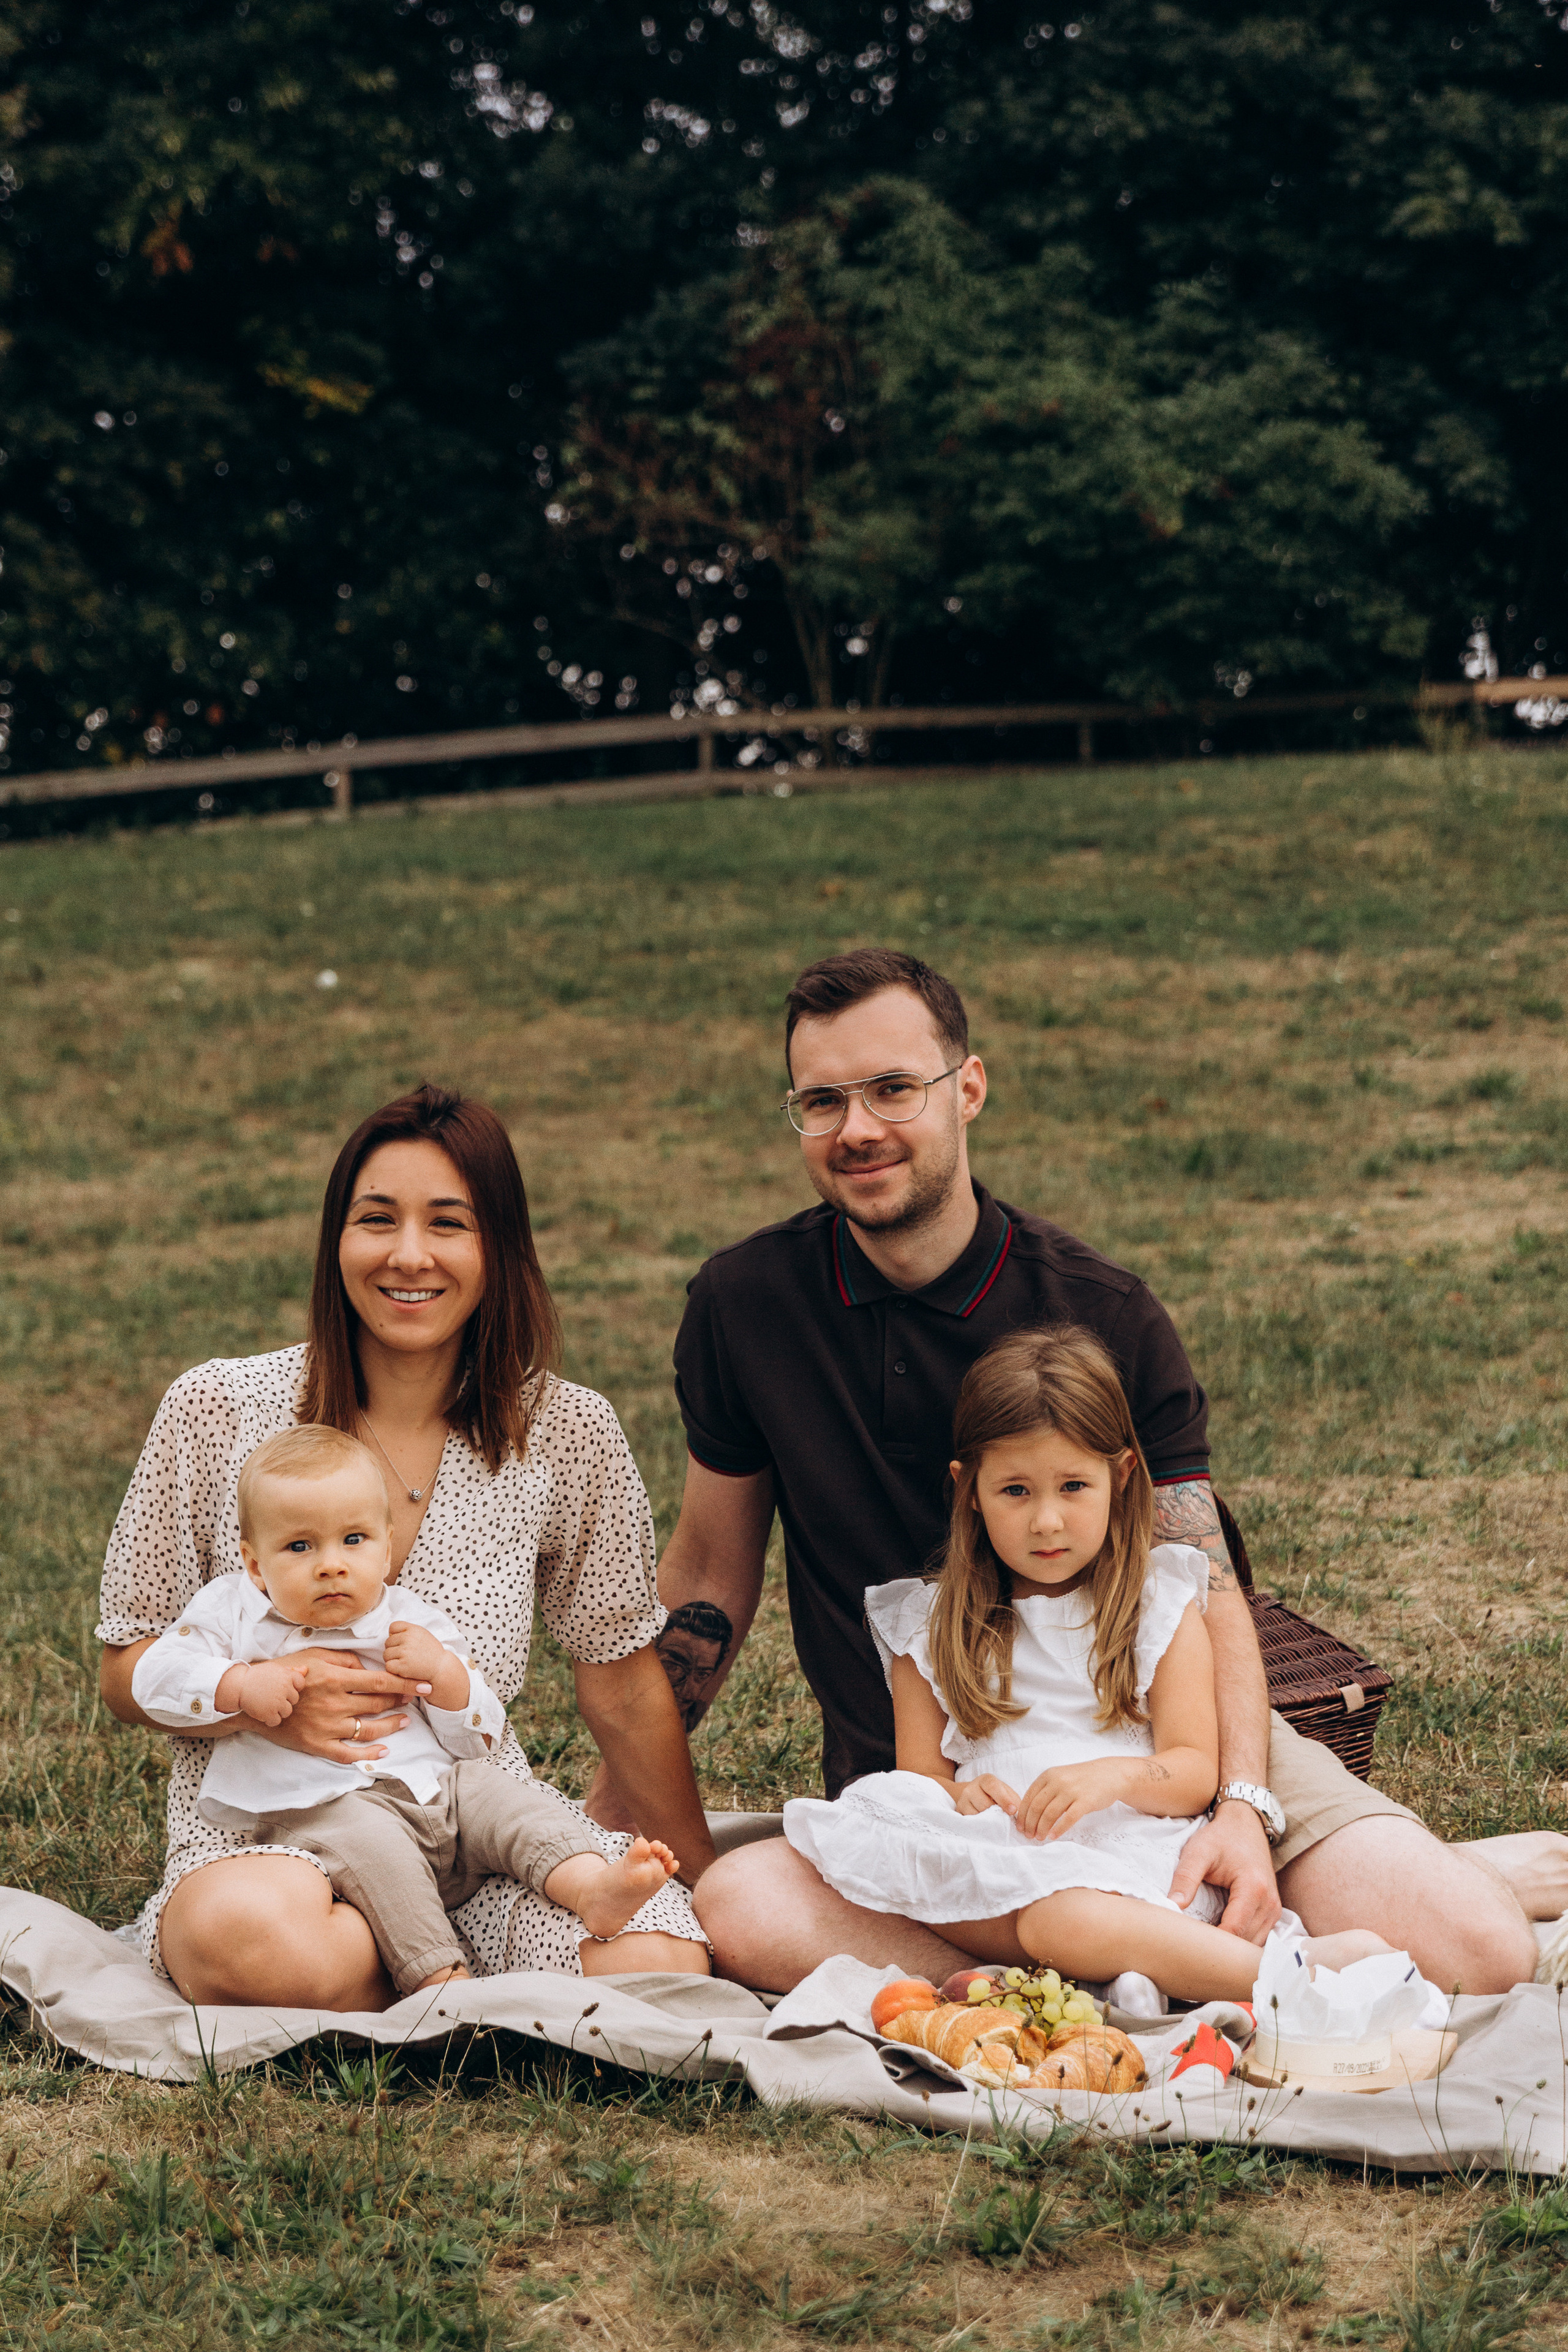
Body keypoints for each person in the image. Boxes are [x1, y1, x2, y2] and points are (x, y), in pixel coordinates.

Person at [584, 948, 1556, 1994]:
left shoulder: (1105, 1312)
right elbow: (708, 1577)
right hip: (947, 1792)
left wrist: (1239, 1804)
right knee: (742, 1904)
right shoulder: (747, 1306)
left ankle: (1173, 1947)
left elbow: (1210, 1588)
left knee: (1484, 1952)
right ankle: (1135, 1971)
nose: (857, 1128)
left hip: (1165, 1748)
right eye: (821, 1102)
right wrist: (605, 1807)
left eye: (892, 1090)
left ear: (969, 1088)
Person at [100, 1082, 714, 2010]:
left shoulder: (567, 1431)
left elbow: (623, 1680)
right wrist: (259, 1706)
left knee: (659, 1963)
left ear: (498, 1247)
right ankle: (416, 1978)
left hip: (467, 1826)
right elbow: (126, 1667)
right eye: (377, 1219)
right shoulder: (217, 1410)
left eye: (449, 1223)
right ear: (336, 1240)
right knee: (264, 1946)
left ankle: (432, 1976)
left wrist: (700, 1882)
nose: (409, 1255)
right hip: (276, 1841)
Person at [782, 1326, 1387, 2002]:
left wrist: (1112, 1777)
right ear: (969, 1491)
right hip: (996, 1852)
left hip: (1122, 1855)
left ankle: (1294, 1977)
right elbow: (921, 1774)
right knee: (874, 1830)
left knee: (1060, 1915)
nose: (1046, 1521)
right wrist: (959, 1795)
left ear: (1120, 1477)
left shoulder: (1157, 1602)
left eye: (1073, 1485)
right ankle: (1122, 1979)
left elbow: (1193, 1771)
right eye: (1015, 1490)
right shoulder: (925, 1626)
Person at [132, 1424, 684, 1997]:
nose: (330, 1565)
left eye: (354, 1540)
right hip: (320, 1806)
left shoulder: (411, 1618)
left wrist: (445, 1676)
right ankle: (440, 1978)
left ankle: (590, 1886)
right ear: (253, 1564)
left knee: (508, 1801)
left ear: (386, 1549)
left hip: (436, 1791)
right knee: (377, 1847)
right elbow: (153, 1677)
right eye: (299, 1547)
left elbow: (481, 1732)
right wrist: (240, 1687)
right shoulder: (234, 1613)